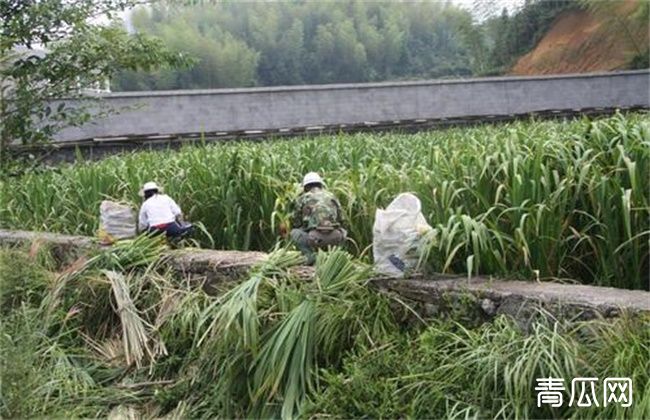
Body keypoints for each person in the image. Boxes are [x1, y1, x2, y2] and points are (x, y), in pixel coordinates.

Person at [290, 172, 346, 265]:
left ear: (305, 187)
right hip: (335, 237)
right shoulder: (332, 196)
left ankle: (310, 257)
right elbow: (342, 220)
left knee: (294, 233)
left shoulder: (303, 198)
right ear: (320, 184)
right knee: (343, 231)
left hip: (315, 238)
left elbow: (296, 222)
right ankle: (336, 257)